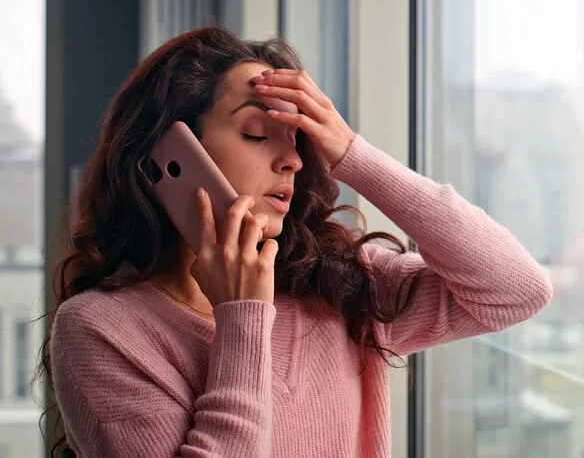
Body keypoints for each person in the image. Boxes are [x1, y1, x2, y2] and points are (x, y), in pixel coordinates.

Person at [39, 26, 553, 457]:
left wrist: (354, 154)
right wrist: (243, 317)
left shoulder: (335, 285)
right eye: (257, 133)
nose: (292, 160)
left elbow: (516, 288)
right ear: (170, 151)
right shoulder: (102, 331)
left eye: (297, 141)